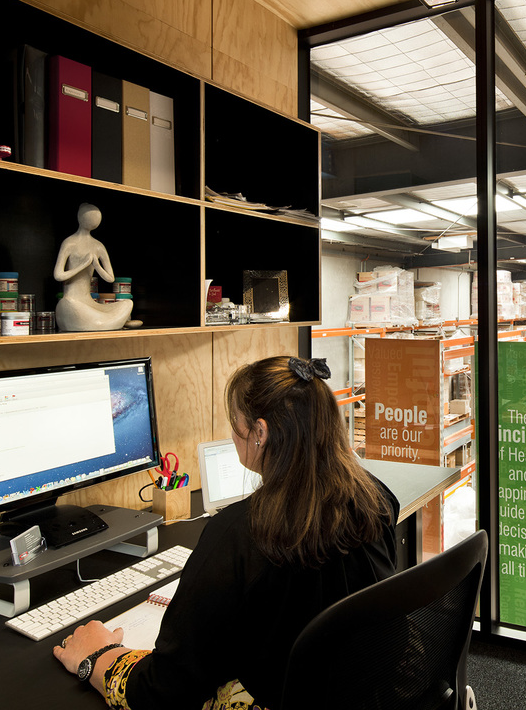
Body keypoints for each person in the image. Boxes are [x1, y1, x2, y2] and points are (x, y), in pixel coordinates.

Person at [53, 356, 399, 709]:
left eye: (235, 424)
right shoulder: (377, 500)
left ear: (260, 433)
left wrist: (98, 656)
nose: (232, 434)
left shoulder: (239, 534)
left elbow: (161, 692)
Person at [53, 202, 134, 331]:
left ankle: (106, 321)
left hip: (90, 303)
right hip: (72, 300)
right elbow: (58, 275)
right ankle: (110, 322)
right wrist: (82, 265)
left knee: (127, 303)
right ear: (80, 217)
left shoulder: (98, 245)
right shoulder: (69, 243)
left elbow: (110, 278)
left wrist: (96, 265)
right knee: (71, 305)